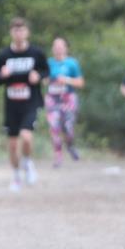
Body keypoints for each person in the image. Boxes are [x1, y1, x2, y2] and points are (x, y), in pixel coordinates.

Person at [0, 17, 49, 191]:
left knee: (26, 136)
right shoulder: (4, 55)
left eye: (22, 29)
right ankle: (16, 176)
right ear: (11, 32)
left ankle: (27, 162)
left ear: (27, 32)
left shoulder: (36, 53)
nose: (18, 33)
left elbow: (46, 72)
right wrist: (2, 75)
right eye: (15, 30)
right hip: (11, 104)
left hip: (30, 102)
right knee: (12, 144)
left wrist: (38, 77)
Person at [44, 37, 84, 168]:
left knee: (67, 127)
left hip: (68, 98)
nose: (58, 49)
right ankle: (58, 155)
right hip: (52, 98)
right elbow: (43, 79)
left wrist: (66, 80)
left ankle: (70, 145)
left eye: (60, 46)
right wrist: (48, 80)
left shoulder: (72, 63)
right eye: (55, 46)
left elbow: (80, 82)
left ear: (66, 48)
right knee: (54, 127)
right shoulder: (48, 63)